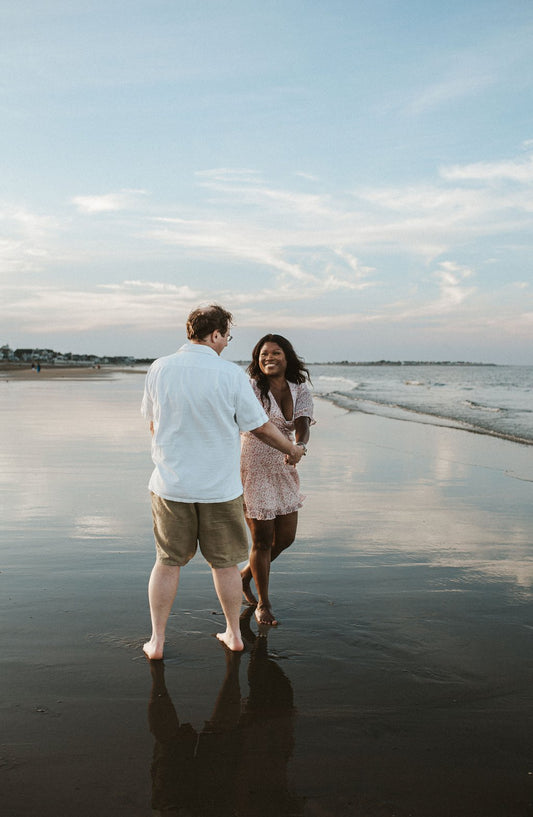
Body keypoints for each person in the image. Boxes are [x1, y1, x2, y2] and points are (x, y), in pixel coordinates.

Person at [141, 305, 304, 659]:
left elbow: (153, 423)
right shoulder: (229, 375)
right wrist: (291, 448)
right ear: (215, 334)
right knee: (225, 564)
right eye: (227, 336)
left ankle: (157, 641)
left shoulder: (159, 368)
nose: (227, 343)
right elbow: (259, 426)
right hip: (219, 488)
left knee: (167, 561)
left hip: (171, 485)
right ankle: (233, 633)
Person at [240, 334, 315, 625]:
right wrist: (291, 448)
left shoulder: (300, 389)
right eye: (263, 354)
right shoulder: (251, 389)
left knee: (285, 538)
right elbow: (257, 427)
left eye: (276, 353)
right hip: (255, 466)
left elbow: (303, 424)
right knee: (261, 540)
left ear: (287, 357)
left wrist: (300, 448)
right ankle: (263, 604)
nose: (269, 358)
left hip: (286, 465)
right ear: (257, 361)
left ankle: (245, 575)